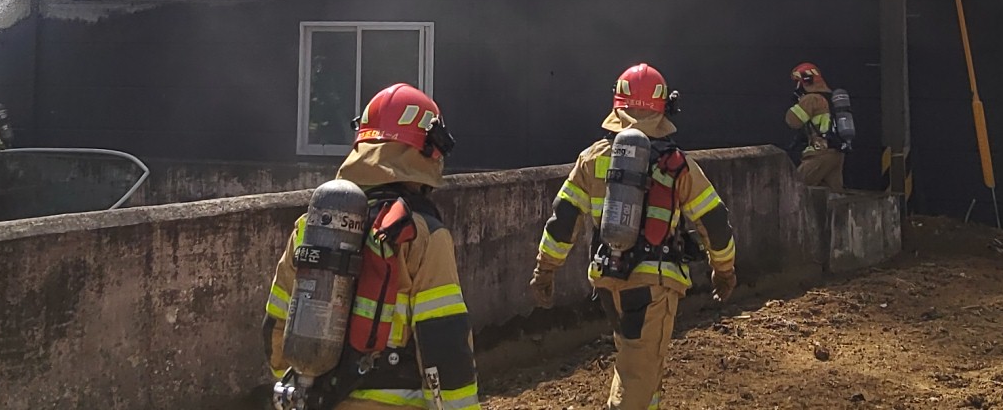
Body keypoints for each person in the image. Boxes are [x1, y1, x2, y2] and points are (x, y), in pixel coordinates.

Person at [528, 63, 738, 410]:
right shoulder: (677, 165)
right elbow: (714, 220)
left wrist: (545, 270)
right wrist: (724, 270)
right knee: (637, 377)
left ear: (617, 104)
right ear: (663, 107)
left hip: (608, 281)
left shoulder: (592, 158)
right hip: (653, 285)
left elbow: (563, 219)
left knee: (638, 363)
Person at [262, 83, 478, 410]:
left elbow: (275, 332)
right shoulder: (423, 235)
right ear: (428, 150)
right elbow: (444, 345)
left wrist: (315, 388)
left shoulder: (311, 227)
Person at [786, 62, 845, 190]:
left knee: (795, 188)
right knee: (833, 193)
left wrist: (798, 101)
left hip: (819, 154)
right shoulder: (830, 97)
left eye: (798, 82)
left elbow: (793, 121)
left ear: (805, 82)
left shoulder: (811, 99)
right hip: (836, 153)